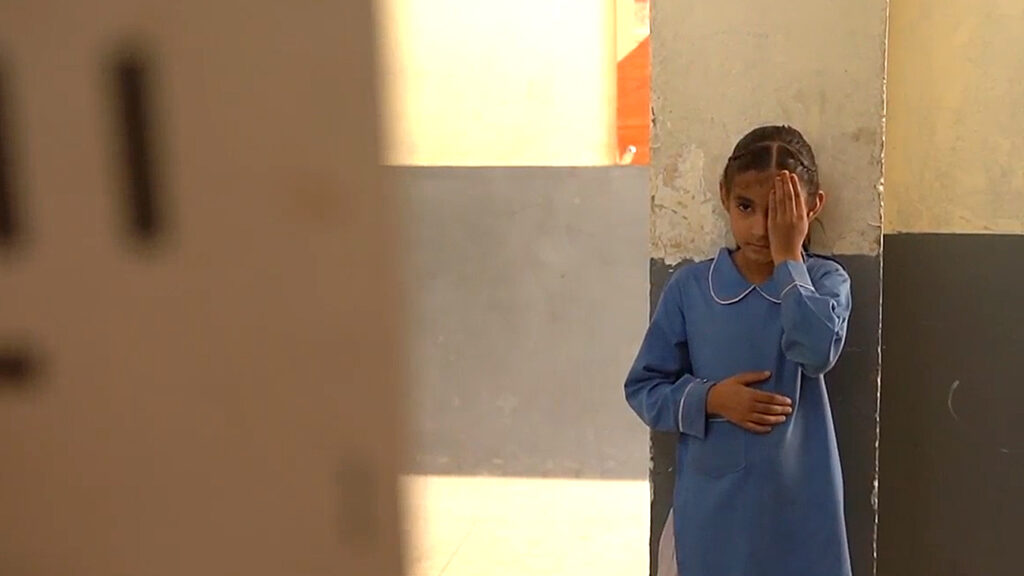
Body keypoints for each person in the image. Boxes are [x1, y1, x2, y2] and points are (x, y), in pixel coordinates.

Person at [625, 125, 853, 576]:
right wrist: (711, 400)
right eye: (746, 208)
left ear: (812, 208)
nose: (759, 228)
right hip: (713, 515)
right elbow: (645, 387)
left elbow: (816, 351)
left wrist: (790, 259)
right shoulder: (692, 289)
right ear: (724, 197)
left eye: (778, 213)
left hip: (800, 508)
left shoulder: (825, 283)